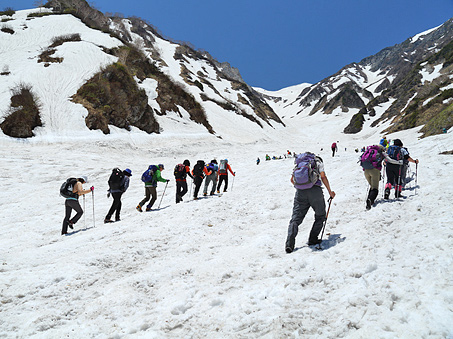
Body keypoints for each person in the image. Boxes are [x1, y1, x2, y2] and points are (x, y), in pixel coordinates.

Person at [285, 153, 335, 253]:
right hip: (315, 192)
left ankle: (289, 244)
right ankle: (312, 239)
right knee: (320, 215)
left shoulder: (299, 164)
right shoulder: (317, 162)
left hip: (300, 193)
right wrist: (330, 191)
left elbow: (292, 180)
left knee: (295, 219)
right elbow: (323, 176)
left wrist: (300, 188)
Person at [360, 145, 385, 210]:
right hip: (375, 171)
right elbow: (387, 159)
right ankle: (370, 200)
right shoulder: (379, 152)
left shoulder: (368, 151)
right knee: (375, 188)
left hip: (366, 171)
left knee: (372, 186)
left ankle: (369, 200)